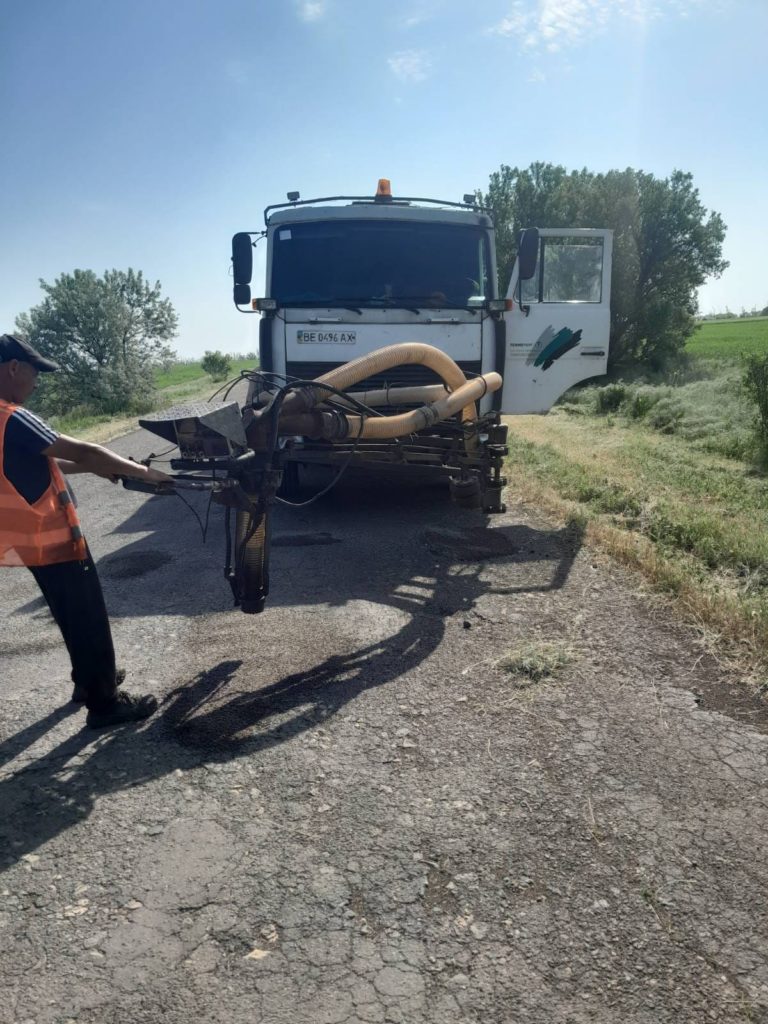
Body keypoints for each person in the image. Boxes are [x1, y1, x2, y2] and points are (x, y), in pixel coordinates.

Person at [0, 333, 172, 729]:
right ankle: (105, 702)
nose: (36, 381)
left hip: (24, 537)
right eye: (35, 372)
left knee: (68, 612)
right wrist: (147, 473)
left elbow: (45, 464)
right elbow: (83, 451)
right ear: (13, 368)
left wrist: (105, 467)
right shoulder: (13, 416)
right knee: (87, 613)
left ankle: (88, 681)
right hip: (52, 534)